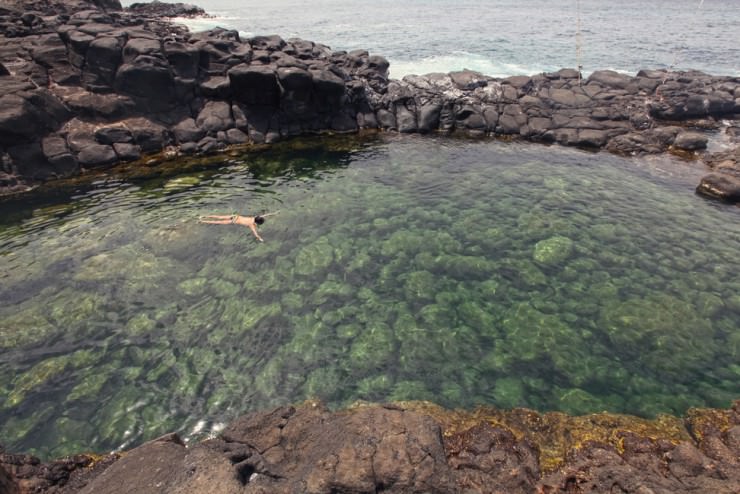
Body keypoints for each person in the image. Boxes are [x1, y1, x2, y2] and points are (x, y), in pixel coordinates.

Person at [199, 211, 278, 242]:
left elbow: (263, 215)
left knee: (219, 217)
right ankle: (202, 221)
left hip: (235, 216)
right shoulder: (251, 225)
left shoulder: (254, 218)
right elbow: (255, 233)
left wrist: (273, 214)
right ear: (257, 223)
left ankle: (203, 216)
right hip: (234, 221)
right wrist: (260, 238)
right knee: (219, 222)